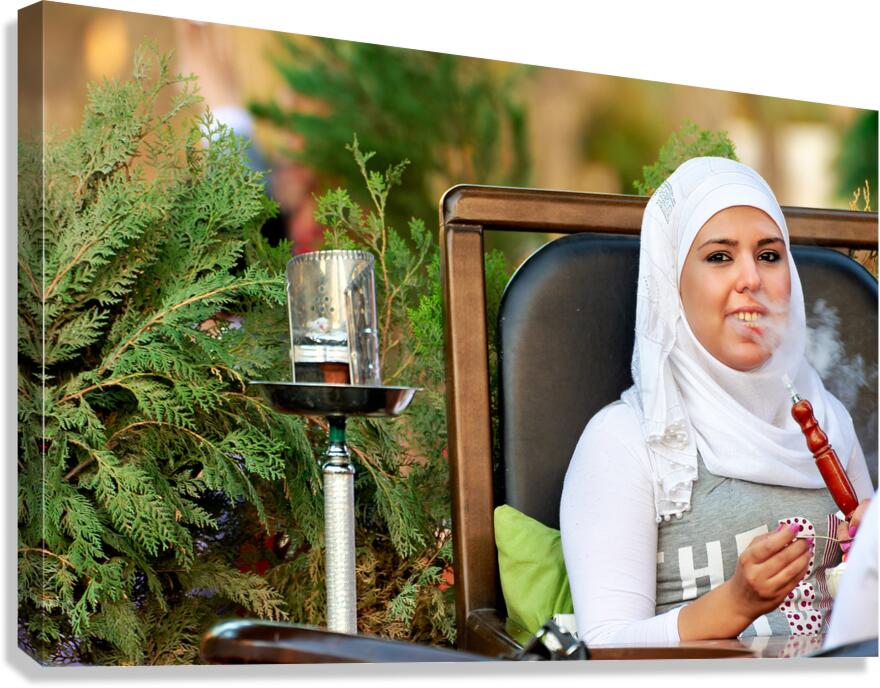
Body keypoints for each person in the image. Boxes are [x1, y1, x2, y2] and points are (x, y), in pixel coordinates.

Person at [559, 157, 874, 646]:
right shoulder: (625, 440)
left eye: (768, 255)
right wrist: (736, 604)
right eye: (720, 257)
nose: (751, 278)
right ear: (673, 284)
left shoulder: (828, 416)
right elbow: (603, 649)